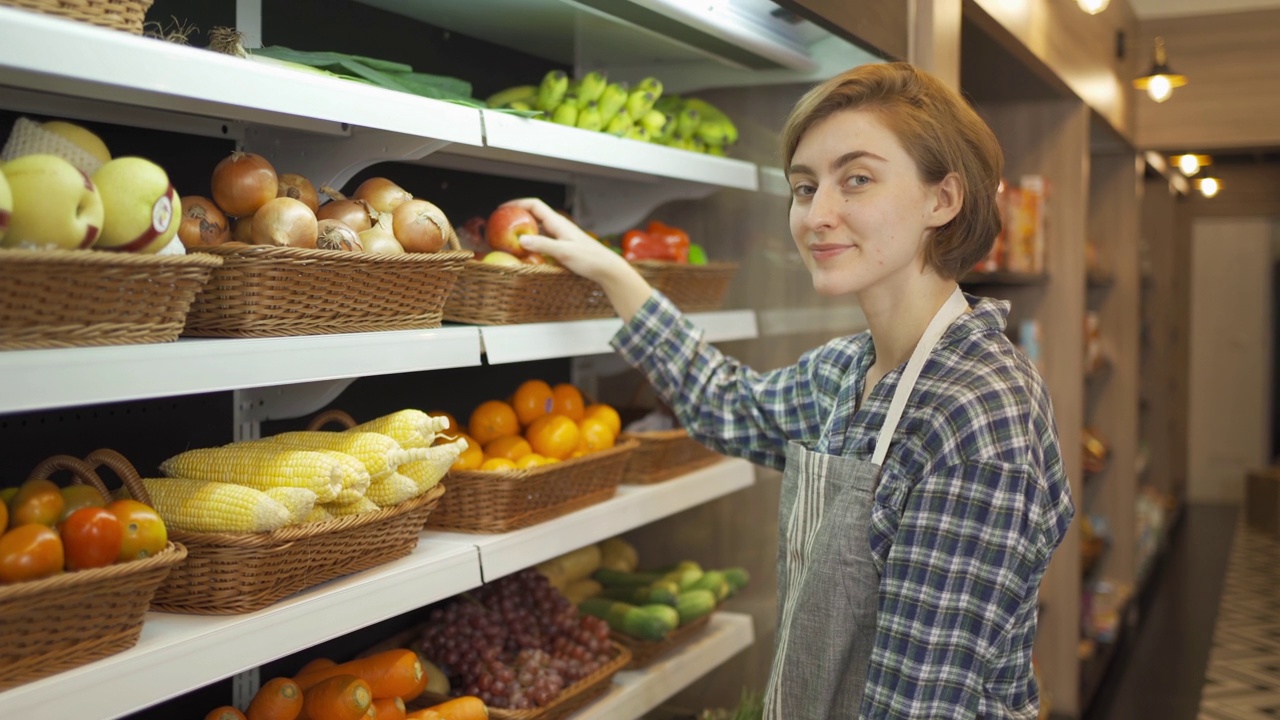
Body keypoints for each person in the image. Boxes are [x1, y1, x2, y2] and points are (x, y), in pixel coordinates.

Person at [507, 61, 1074, 719]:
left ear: (942, 200)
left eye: (856, 180)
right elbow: (728, 403)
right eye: (805, 188)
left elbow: (916, 708)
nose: (817, 215)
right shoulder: (845, 372)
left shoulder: (976, 413)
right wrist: (614, 273)